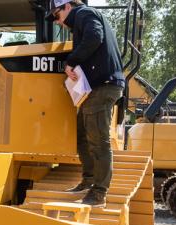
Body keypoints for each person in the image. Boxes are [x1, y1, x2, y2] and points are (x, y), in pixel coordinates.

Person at [50, 0, 125, 208]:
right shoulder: (81, 20)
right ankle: (89, 179)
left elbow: (95, 35)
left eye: (56, 16)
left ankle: (99, 193)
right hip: (94, 89)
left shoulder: (84, 14)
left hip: (103, 86)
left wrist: (71, 61)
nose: (57, 22)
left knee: (98, 141)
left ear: (67, 7)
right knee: (82, 135)